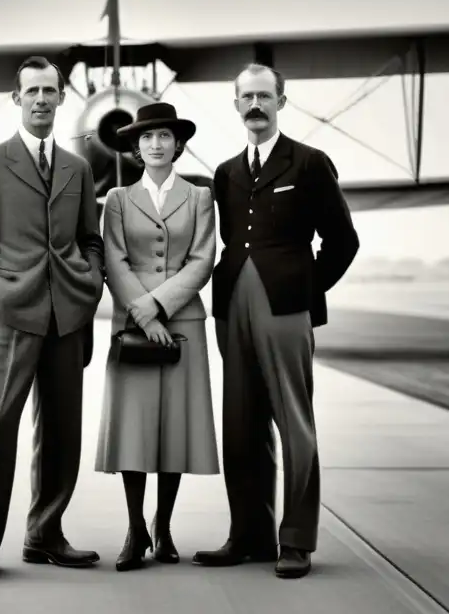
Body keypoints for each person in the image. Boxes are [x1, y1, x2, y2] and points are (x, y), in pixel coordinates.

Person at [193, 63, 359, 579]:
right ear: (237, 105)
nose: (257, 105)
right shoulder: (224, 173)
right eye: (248, 98)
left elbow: (343, 242)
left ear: (282, 102)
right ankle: (248, 535)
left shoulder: (309, 163)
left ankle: (297, 540)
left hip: (287, 305)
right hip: (231, 303)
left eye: (266, 96)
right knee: (240, 425)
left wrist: (306, 292)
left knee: (294, 422)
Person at [0, 56, 106, 584]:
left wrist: (89, 285)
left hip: (69, 317)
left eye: (50, 90)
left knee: (62, 430)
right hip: (11, 316)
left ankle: (45, 533)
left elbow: (91, 238)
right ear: (16, 100)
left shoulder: (78, 169)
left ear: (63, 99)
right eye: (32, 90)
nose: (41, 98)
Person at [94, 102, 220, 572]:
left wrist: (161, 306)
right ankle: (134, 529)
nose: (156, 144)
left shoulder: (201, 197)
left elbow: (203, 258)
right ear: (135, 146)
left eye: (164, 136)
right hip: (133, 324)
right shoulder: (118, 200)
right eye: (147, 138)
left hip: (183, 322)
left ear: (178, 144)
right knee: (134, 426)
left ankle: (163, 527)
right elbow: (114, 259)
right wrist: (144, 314)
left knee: (175, 428)